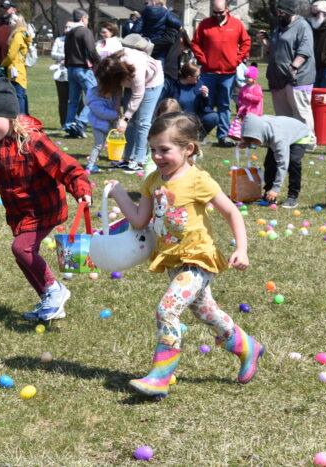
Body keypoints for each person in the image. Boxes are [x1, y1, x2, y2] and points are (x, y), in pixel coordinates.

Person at [106, 112, 262, 398]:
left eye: (164, 149)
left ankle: (160, 376)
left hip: (199, 260)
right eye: (153, 149)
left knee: (167, 309)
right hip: (174, 260)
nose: (156, 156)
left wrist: (241, 248)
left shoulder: (198, 180)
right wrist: (119, 194)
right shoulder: (153, 181)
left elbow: (231, 211)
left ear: (188, 149)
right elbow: (140, 220)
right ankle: (248, 347)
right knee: (205, 311)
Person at [0, 78, 92, 321]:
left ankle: (54, 290)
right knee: (23, 255)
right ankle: (48, 298)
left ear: (10, 117)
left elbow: (67, 167)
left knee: (21, 248)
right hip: (22, 215)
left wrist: (81, 190)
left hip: (46, 210)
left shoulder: (33, 142)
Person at [96, 34, 163, 173]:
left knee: (142, 122)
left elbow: (138, 94)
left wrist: (126, 118)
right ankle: (128, 159)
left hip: (151, 82)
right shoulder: (111, 64)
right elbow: (117, 88)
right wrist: (117, 111)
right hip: (130, 82)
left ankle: (139, 160)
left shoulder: (134, 68)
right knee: (130, 123)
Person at [191, 0, 251, 147]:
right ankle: (201, 134)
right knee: (206, 104)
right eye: (215, 12)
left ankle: (223, 136)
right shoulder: (204, 24)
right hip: (208, 72)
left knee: (225, 105)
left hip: (228, 73)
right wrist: (202, 59)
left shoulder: (236, 24)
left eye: (221, 12)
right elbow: (195, 43)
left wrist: (237, 60)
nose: (218, 15)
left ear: (227, 10)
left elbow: (246, 42)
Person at [258, 0, 316, 147]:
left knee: (301, 113)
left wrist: (294, 66)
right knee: (283, 115)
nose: (279, 15)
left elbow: (305, 49)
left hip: (297, 78)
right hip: (278, 78)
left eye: (282, 12)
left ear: (291, 12)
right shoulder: (280, 28)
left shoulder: (303, 26)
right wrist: (265, 41)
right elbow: (274, 49)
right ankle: (290, 141)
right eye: (278, 12)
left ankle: (308, 142)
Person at [240, 113, 310, 208]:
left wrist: (276, 189)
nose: (253, 144)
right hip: (282, 132)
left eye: (254, 141)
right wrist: (246, 141)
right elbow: (250, 130)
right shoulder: (259, 126)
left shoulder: (278, 140)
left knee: (293, 162)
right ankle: (269, 195)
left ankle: (292, 196)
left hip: (299, 135)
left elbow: (282, 164)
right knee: (269, 163)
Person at [63, 8, 100, 139]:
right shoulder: (85, 31)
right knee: (94, 97)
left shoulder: (69, 33)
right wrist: (99, 63)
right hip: (83, 69)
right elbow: (91, 50)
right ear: (83, 18)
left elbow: (66, 52)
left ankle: (69, 126)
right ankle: (80, 123)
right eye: (87, 19)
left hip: (71, 68)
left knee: (73, 101)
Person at [161, 61, 219, 139]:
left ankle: (198, 138)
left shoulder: (199, 84)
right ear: (189, 77)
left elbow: (206, 105)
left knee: (213, 117)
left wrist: (205, 96)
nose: (199, 78)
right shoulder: (174, 87)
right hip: (179, 118)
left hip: (196, 117)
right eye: (197, 76)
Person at [84, 74, 121, 173]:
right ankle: (91, 164)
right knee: (98, 145)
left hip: (106, 125)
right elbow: (103, 113)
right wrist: (116, 115)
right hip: (98, 126)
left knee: (113, 143)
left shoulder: (105, 96)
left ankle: (115, 159)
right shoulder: (95, 101)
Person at [1, 13, 31, 115]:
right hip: (21, 68)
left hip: (15, 69)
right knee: (21, 95)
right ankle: (24, 117)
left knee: (18, 95)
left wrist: (2, 64)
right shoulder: (24, 34)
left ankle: (20, 118)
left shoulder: (17, 35)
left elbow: (11, 55)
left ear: (16, 23)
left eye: (11, 22)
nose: (9, 25)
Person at [51, 22, 70, 129]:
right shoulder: (59, 40)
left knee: (76, 100)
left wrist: (68, 58)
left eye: (69, 27)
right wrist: (65, 57)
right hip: (61, 74)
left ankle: (78, 122)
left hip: (73, 73)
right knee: (63, 100)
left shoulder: (77, 40)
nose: (67, 29)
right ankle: (63, 123)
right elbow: (53, 54)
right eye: (65, 26)